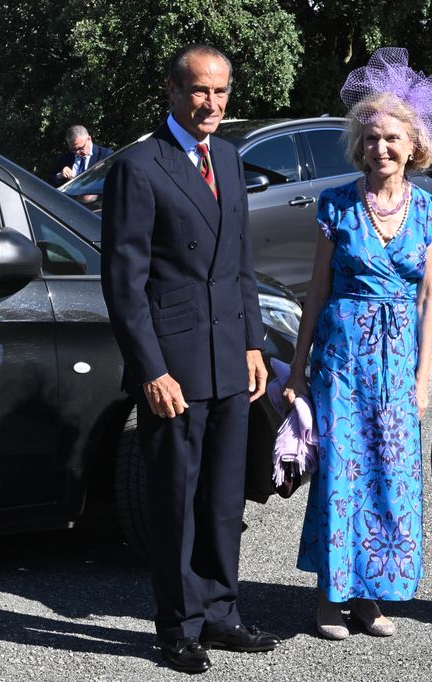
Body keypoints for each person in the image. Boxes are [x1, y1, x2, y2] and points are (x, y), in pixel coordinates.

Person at [100, 44, 277, 674]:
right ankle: (177, 626)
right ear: (173, 92)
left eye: (223, 92)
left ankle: (221, 612)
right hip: (172, 368)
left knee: (224, 498)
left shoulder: (228, 158)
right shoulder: (139, 167)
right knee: (176, 499)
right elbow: (124, 284)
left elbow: (240, 266)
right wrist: (150, 369)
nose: (213, 104)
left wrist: (255, 342)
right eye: (202, 91)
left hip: (230, 357)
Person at [282, 47, 432, 641]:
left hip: (397, 359)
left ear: (414, 146)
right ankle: (330, 596)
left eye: (393, 139)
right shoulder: (337, 206)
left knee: (391, 476)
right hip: (341, 361)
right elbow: (315, 292)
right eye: (372, 138)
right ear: (360, 143)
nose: (381, 149)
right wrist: (298, 370)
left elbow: (431, 298)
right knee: (341, 476)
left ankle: (371, 597)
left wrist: (422, 378)